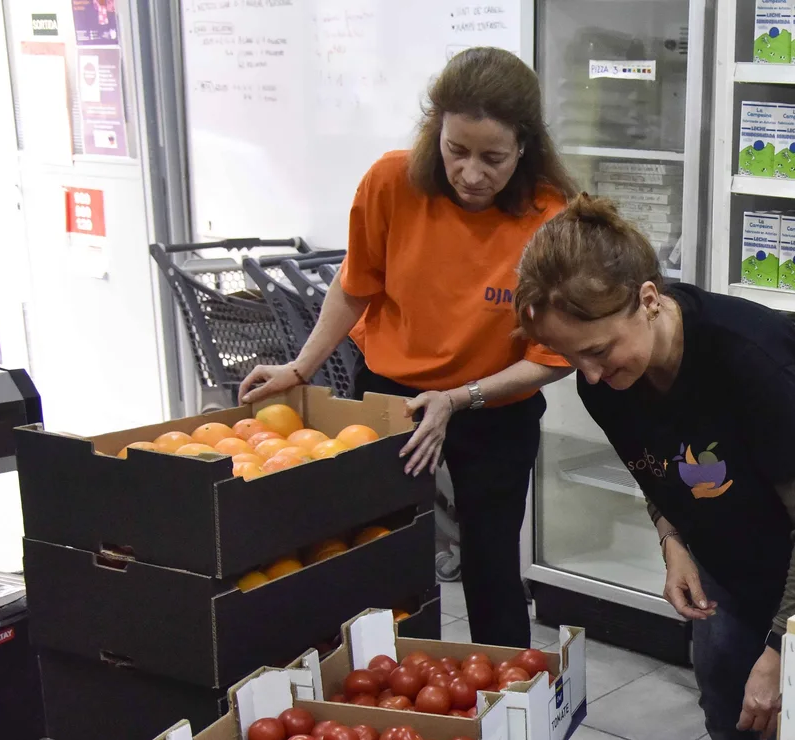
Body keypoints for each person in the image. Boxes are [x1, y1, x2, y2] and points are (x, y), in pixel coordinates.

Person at [512, 196, 795, 740]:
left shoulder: (747, 358)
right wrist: (672, 540)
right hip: (735, 532)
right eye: (572, 358)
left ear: (647, 299)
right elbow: (656, 469)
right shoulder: (611, 383)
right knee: (726, 684)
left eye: (598, 350)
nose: (587, 375)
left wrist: (783, 649)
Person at [239, 47, 574, 646]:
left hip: (493, 405)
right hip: (392, 396)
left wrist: (459, 397)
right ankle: (383, 687)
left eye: (493, 158)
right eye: (456, 151)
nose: (472, 174)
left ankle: (506, 704)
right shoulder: (391, 182)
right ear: (434, 133)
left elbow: (550, 359)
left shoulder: (550, 217)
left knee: (490, 564)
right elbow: (355, 285)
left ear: (524, 146)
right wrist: (301, 366)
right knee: (381, 552)